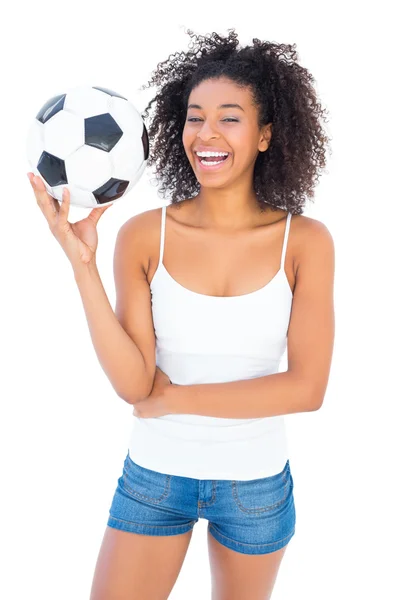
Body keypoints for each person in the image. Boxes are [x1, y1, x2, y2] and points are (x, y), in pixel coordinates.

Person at [28, 28, 335, 600]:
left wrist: (177, 400)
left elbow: (307, 387)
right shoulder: (145, 235)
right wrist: (82, 265)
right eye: (194, 117)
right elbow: (133, 383)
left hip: (255, 486)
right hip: (155, 477)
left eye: (230, 118)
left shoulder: (306, 241)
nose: (206, 133)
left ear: (266, 135)